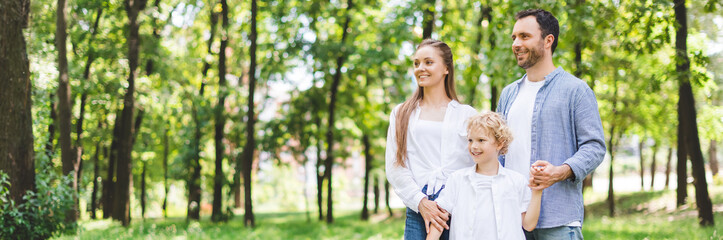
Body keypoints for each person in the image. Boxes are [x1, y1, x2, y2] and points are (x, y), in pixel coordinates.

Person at [496, 9, 606, 239]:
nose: (516, 43)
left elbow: (595, 147)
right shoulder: (508, 94)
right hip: (510, 218)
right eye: (514, 37)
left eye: (524, 36)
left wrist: (560, 171)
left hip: (558, 219)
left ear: (548, 40)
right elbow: (497, 152)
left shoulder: (576, 90)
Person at [385, 39, 477, 240]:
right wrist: (421, 202)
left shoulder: (467, 115)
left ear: (446, 68)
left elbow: (477, 163)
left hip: (458, 208)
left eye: (428, 62)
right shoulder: (401, 113)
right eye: (416, 63)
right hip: (420, 208)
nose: (420, 68)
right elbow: (395, 165)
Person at [426, 111, 547, 240]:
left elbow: (528, 225)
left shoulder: (516, 181)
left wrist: (537, 192)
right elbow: (439, 221)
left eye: (481, 140)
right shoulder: (457, 180)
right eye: (470, 140)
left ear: (499, 143)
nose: (474, 146)